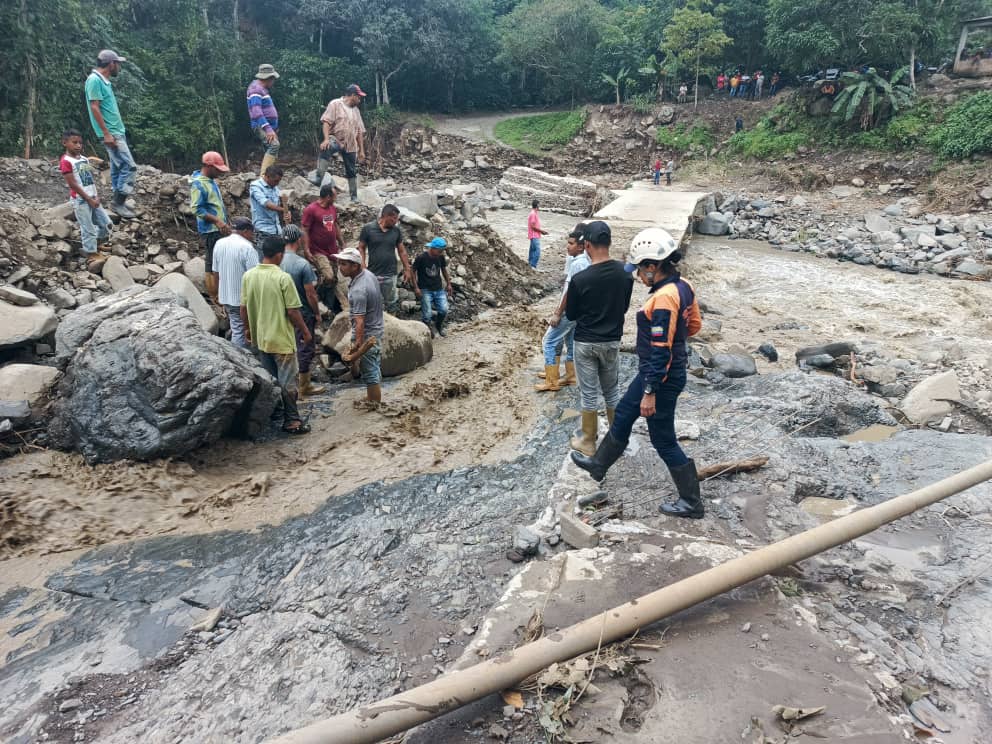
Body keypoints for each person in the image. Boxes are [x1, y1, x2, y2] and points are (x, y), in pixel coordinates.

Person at [571, 228, 704, 519]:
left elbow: (660, 350)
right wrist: (676, 343)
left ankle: (692, 502)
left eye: (640, 269)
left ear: (653, 266)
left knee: (663, 439)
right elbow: (694, 326)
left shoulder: (664, 299)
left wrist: (651, 391)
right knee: (624, 414)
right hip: (654, 372)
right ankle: (599, 464)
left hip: (660, 378)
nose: (638, 275)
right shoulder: (684, 286)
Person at [564, 221, 633, 456]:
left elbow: (571, 314)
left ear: (588, 245)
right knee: (612, 391)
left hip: (585, 342)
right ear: (610, 243)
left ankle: (588, 441)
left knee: (589, 393)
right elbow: (623, 308)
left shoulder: (581, 279)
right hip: (612, 341)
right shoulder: (625, 274)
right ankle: (616, 440)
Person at [240, 236, 311, 435]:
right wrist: (305, 331)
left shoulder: (249, 276)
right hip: (281, 340)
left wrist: (248, 329)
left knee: (272, 379)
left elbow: (243, 308)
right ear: (279, 254)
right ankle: (292, 421)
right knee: (288, 382)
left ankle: (276, 413)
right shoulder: (282, 278)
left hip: (261, 338)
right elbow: (293, 311)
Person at [535, 224, 590, 393]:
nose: (567, 246)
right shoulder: (585, 262)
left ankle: (552, 380)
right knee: (570, 341)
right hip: (578, 311)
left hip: (569, 309)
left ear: (581, 246)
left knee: (549, 341)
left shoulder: (577, 264)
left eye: (571, 243)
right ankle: (570, 375)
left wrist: (558, 312)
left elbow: (569, 291)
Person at [85, 50, 135, 220]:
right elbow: (94, 107)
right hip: (111, 133)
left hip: (116, 131)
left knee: (117, 166)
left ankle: (117, 200)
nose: (119, 67)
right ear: (111, 64)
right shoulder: (94, 80)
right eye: (118, 63)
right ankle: (118, 203)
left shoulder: (103, 81)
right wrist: (106, 133)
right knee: (129, 166)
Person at [333, 247, 385, 405]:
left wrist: (358, 343)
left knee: (370, 371)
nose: (339, 267)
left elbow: (360, 321)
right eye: (339, 263)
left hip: (368, 333)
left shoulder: (358, 290)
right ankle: (372, 394)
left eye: (343, 264)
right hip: (376, 327)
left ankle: (374, 402)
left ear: (355, 266)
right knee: (373, 365)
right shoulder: (368, 275)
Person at [280, 225, 326, 397]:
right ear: (298, 239)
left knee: (287, 346)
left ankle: (288, 383)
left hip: (282, 312)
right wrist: (316, 312)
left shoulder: (276, 261)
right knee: (305, 346)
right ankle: (304, 386)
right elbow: (310, 293)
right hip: (302, 312)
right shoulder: (302, 264)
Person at [59, 129, 112, 273]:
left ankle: (98, 244)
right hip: (81, 201)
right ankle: (91, 254)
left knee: (107, 224)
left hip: (93, 198)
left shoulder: (83, 159)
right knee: (87, 228)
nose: (78, 145)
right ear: (65, 143)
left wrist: (96, 195)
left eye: (80, 143)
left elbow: (87, 178)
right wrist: (88, 199)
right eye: (74, 142)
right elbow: (73, 184)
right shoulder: (65, 161)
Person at [311, 84, 368, 203]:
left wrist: (362, 151)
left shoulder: (356, 111)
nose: (360, 99)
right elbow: (326, 122)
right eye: (358, 97)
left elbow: (359, 131)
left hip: (351, 143)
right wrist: (326, 139)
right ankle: (319, 177)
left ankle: (354, 196)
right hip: (335, 138)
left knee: (351, 169)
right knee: (326, 148)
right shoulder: (335, 104)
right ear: (353, 95)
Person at [189, 151, 232, 305]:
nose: (220, 172)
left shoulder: (210, 180)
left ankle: (223, 292)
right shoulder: (198, 184)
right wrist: (217, 221)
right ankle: (216, 298)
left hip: (217, 228)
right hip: (210, 230)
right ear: (208, 166)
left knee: (220, 260)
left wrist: (224, 221)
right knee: (212, 262)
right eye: (217, 169)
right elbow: (196, 209)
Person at [211, 217, 258, 347]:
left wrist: (217, 293)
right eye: (251, 232)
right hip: (243, 300)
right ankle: (242, 359)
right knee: (244, 331)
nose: (252, 235)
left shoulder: (219, 243)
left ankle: (238, 355)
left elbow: (215, 272)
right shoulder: (247, 247)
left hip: (226, 296)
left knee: (237, 327)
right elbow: (256, 276)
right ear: (245, 231)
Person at [301, 183, 348, 312]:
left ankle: (330, 306)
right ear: (328, 196)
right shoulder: (311, 210)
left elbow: (335, 225)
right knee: (328, 276)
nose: (336, 198)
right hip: (317, 250)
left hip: (332, 250)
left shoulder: (332, 208)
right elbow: (305, 229)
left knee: (334, 279)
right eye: (334, 195)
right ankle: (317, 296)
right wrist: (306, 249)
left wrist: (342, 243)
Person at [358, 204, 411, 310]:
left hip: (390, 273)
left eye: (397, 218)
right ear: (385, 216)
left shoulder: (396, 231)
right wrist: (362, 264)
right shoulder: (368, 229)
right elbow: (361, 248)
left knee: (391, 300)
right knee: (373, 300)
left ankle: (393, 320)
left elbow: (401, 250)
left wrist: (407, 268)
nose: (396, 221)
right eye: (394, 218)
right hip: (373, 272)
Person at [412, 237, 454, 338]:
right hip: (425, 289)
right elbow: (412, 271)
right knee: (427, 314)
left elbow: (444, 270)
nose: (441, 253)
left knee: (443, 310)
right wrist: (416, 287)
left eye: (442, 251)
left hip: (438, 288)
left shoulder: (440, 257)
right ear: (433, 248)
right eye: (439, 251)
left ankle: (438, 325)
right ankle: (427, 331)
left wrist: (448, 284)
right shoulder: (421, 258)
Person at [247, 64, 280, 176]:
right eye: (273, 79)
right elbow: (256, 112)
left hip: (268, 126)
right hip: (261, 126)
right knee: (274, 145)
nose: (274, 81)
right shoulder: (255, 89)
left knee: (271, 150)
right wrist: (268, 129)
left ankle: (270, 178)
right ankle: (264, 177)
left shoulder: (261, 89)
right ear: (268, 78)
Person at [250, 165, 286, 252]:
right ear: (267, 177)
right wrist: (284, 210)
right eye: (276, 181)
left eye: (279, 181)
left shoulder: (275, 188)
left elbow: (279, 205)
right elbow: (266, 203)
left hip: (276, 230)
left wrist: (286, 213)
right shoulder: (256, 186)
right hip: (263, 230)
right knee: (264, 258)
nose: (277, 183)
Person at [527, 200, 549, 269]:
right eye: (539, 205)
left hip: (533, 235)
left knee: (532, 250)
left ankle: (530, 265)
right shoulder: (533, 214)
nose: (540, 206)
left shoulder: (533, 213)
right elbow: (533, 226)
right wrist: (542, 231)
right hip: (534, 235)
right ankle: (533, 265)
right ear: (537, 205)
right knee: (537, 251)